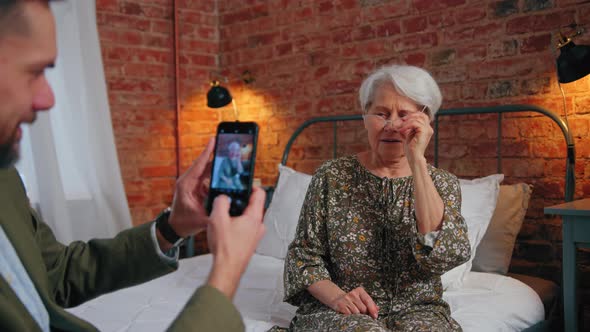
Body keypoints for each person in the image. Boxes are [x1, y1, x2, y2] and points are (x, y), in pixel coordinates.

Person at [0, 1, 265, 331]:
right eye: (35, 71)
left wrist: (172, 227)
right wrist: (225, 274)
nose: (49, 98)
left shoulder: (5, 179)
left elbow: (61, 273)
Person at [279, 65, 471, 331]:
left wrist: (417, 161)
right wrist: (337, 297)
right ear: (365, 117)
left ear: (425, 122)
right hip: (342, 309)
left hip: (419, 310)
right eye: (381, 114)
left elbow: (444, 255)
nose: (391, 125)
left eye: (404, 115)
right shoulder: (332, 176)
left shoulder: (442, 183)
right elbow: (303, 256)